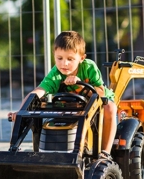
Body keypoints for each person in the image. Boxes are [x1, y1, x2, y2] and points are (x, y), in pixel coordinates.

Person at [8, 30, 117, 160]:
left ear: (81, 58)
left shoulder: (89, 67)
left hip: (95, 101)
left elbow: (100, 91)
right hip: (69, 104)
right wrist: (21, 111)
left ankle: (105, 152)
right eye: (59, 58)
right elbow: (38, 91)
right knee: (35, 111)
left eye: (70, 59)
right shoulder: (55, 73)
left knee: (110, 108)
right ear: (54, 55)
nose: (64, 64)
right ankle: (14, 150)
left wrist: (80, 84)